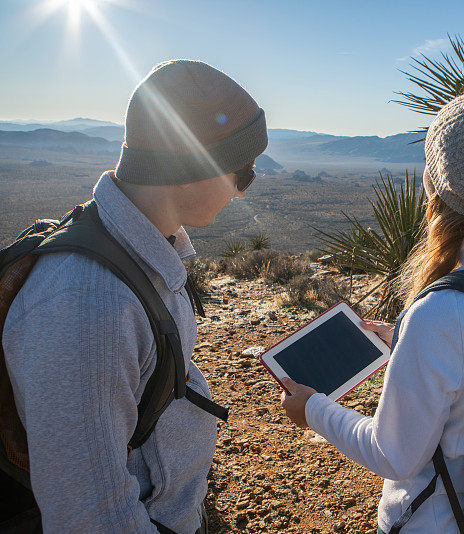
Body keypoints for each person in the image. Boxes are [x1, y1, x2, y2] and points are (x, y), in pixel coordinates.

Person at [2, 59, 268, 533]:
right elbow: (90, 517)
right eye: (241, 172)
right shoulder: (90, 306)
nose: (243, 192)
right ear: (187, 167)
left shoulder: (145, 250)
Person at [280, 90, 464, 533]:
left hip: (439, 520)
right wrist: (408, 337)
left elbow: (395, 456)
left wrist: (313, 410)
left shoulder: (443, 311)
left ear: (435, 182)